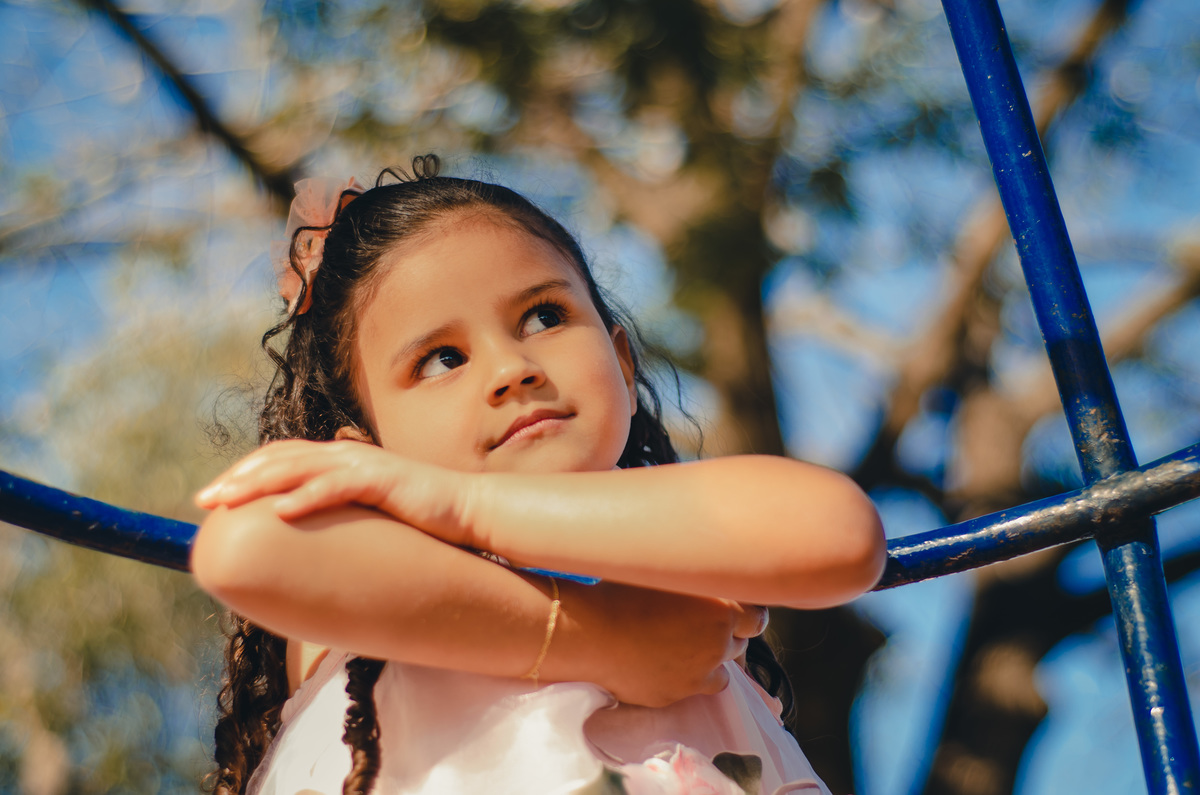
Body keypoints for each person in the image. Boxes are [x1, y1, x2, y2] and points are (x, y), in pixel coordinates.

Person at [191, 155, 886, 795]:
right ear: (361, 448)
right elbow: (241, 545)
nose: (510, 369)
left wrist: (470, 503)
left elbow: (842, 533)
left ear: (621, 358)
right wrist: (612, 641)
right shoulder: (368, 563)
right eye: (440, 359)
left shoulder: (668, 526)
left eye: (544, 315)